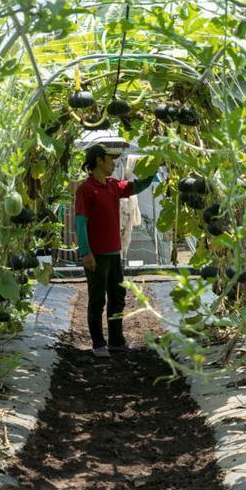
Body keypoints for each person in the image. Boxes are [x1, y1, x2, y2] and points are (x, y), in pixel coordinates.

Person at [74, 144, 157, 358]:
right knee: (96, 299)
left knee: (118, 296)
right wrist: (85, 252)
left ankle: (116, 340)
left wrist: (154, 168)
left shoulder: (112, 185)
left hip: (113, 253)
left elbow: (135, 187)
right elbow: (81, 222)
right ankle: (98, 343)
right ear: (99, 161)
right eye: (110, 159)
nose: (114, 163)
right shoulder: (86, 189)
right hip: (97, 255)